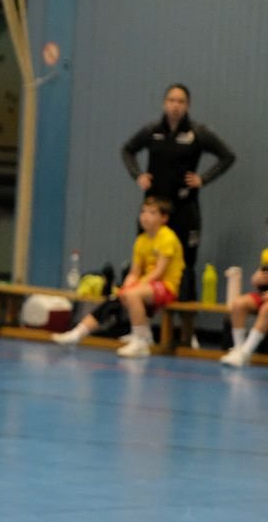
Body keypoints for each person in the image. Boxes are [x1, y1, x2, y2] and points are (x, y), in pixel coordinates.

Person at [121, 83, 236, 301]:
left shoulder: (198, 133)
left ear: (187, 106)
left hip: (184, 207)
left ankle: (186, 319)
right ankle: (140, 314)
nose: (175, 105)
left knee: (185, 262)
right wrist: (138, 175)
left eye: (181, 101)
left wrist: (203, 178)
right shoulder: (152, 131)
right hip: (155, 207)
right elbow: (127, 150)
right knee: (146, 260)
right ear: (164, 103)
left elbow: (227, 156)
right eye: (171, 100)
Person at [52, 197, 183, 358]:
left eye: (152, 213)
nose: (145, 216)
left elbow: (159, 272)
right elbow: (135, 272)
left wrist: (133, 288)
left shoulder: (167, 237)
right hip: (146, 286)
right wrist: (126, 286)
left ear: (164, 218)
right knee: (114, 298)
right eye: (143, 212)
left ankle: (141, 341)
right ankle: (77, 333)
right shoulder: (141, 240)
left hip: (167, 287)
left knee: (132, 294)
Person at [220, 237, 268, 367]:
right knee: (238, 304)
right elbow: (256, 280)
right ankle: (238, 348)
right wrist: (259, 278)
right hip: (263, 296)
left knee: (266, 309)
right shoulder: (266, 254)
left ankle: (246, 352)